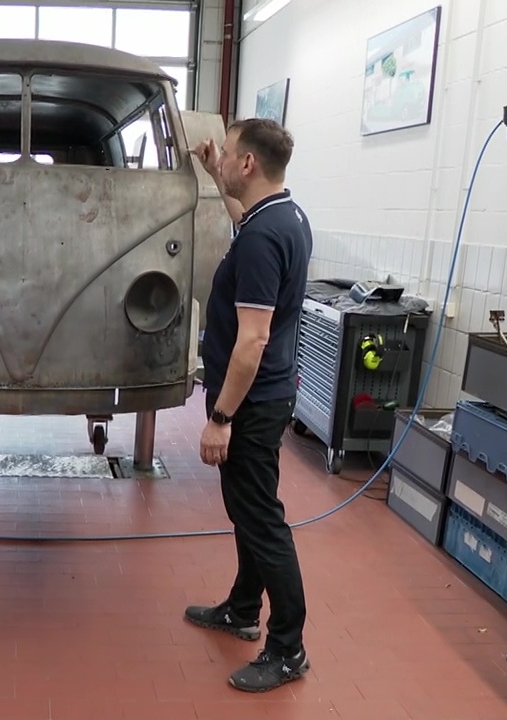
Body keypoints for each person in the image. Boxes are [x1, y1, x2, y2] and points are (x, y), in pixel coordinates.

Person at [184, 117, 312, 693]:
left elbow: (252, 340)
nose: (224, 156)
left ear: (250, 163)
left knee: (261, 519)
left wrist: (220, 419)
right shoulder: (281, 215)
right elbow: (243, 217)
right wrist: (215, 176)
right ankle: (242, 609)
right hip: (268, 395)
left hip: (251, 403)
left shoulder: (263, 237)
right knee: (250, 512)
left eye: (229, 151)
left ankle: (288, 648)